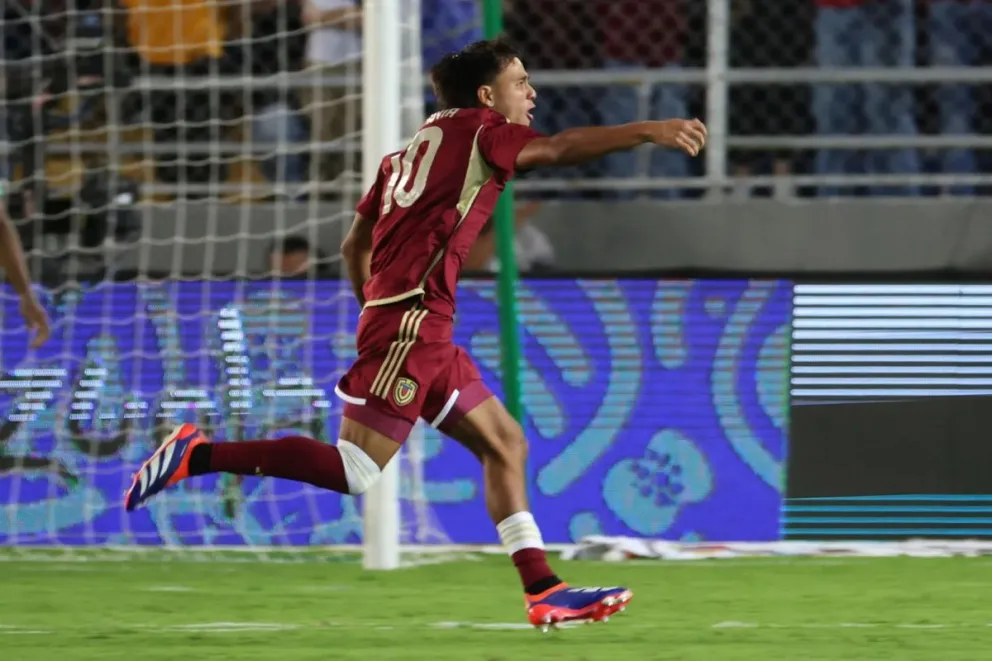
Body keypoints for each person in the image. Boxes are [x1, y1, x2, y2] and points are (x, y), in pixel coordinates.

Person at [123, 38, 706, 628]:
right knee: (355, 469)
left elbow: (355, 244)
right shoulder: (483, 131)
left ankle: (545, 590)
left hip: (415, 325)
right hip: (412, 323)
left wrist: (374, 310)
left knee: (504, 444)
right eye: (521, 82)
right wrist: (648, 129)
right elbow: (556, 148)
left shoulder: (404, 154)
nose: (531, 94)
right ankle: (198, 454)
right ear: (486, 95)